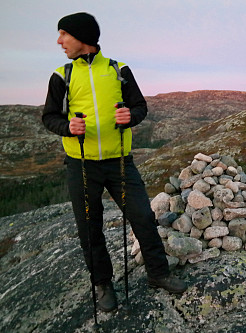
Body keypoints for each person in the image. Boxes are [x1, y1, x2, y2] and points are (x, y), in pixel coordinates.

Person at [42, 12, 187, 312]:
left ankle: (158, 274)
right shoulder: (62, 75)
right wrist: (67, 127)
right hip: (80, 165)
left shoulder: (119, 70)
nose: (59, 41)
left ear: (82, 37)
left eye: (63, 35)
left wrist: (130, 117)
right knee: (89, 227)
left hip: (120, 162)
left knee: (143, 218)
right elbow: (49, 117)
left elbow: (140, 107)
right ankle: (103, 283)